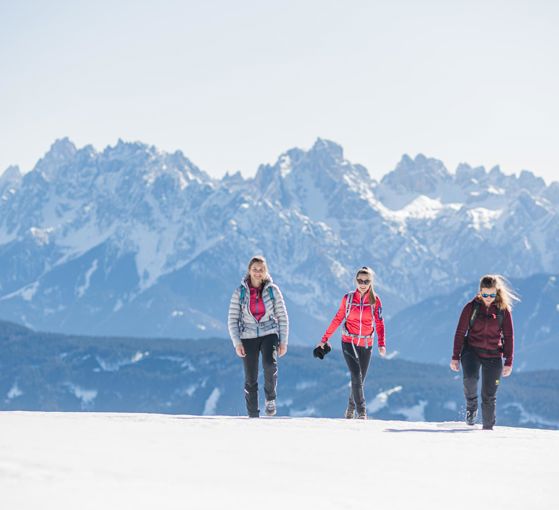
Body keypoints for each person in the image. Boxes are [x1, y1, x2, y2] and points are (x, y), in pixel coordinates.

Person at [316, 266, 386, 419]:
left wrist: (381, 343)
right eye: (360, 280)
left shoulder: (375, 300)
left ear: (371, 282)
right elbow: (338, 318)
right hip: (348, 341)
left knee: (360, 379)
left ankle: (350, 407)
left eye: (366, 281)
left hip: (367, 343)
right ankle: (362, 412)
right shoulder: (348, 299)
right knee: (356, 374)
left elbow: (380, 323)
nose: (362, 284)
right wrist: (324, 339)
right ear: (355, 281)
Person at [450, 274, 518, 430]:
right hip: (472, 351)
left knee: (489, 396)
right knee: (470, 379)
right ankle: (471, 407)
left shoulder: (503, 310)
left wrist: (509, 361)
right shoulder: (471, 307)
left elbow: (508, 336)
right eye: (485, 294)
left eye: (492, 294)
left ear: (497, 292)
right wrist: (455, 357)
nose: (488, 297)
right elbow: (460, 332)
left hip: (494, 355)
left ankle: (488, 430)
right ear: (480, 292)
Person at [228, 255, 289, 418]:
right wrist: (237, 343)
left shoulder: (272, 290)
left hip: (269, 332)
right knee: (250, 377)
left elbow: (282, 316)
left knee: (270, 364)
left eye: (261, 269)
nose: (258, 272)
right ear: (249, 271)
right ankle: (253, 415)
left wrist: (283, 341)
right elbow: (232, 319)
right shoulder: (240, 292)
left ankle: (270, 399)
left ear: (265, 272)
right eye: (255, 269)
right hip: (247, 336)